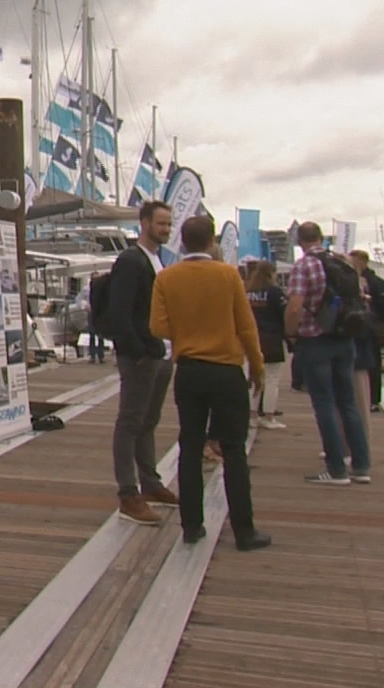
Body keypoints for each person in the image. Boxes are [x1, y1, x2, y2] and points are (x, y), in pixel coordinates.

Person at [151, 216, 271, 551]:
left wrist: (187, 332)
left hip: (189, 369)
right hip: (225, 369)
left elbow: (158, 327)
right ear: (212, 242)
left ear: (182, 241)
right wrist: (257, 369)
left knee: (189, 447)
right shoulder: (228, 275)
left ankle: (192, 526)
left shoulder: (167, 278)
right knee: (234, 450)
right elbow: (246, 327)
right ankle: (244, 531)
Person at [91, 200, 180, 525]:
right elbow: (120, 311)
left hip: (160, 353)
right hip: (141, 356)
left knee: (148, 421)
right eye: (161, 224)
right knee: (130, 422)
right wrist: (139, 351)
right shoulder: (131, 260)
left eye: (169, 224)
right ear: (144, 223)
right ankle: (128, 495)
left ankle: (151, 484)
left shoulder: (156, 260)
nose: (166, 230)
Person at [285, 221, 372, 486]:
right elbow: (360, 296)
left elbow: (294, 306)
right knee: (348, 402)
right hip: (345, 338)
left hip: (316, 339)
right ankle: (361, 466)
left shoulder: (304, 266)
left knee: (324, 403)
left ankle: (336, 468)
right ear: (321, 238)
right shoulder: (343, 262)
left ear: (299, 242)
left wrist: (291, 333)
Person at [243, 260, 287, 430]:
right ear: (271, 274)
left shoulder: (248, 291)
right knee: (271, 378)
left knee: (254, 378)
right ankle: (268, 416)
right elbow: (283, 312)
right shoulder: (274, 292)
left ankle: (251, 415)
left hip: (252, 338)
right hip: (272, 337)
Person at [350, 250, 384, 413]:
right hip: (363, 327)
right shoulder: (354, 280)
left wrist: (381, 320)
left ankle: (374, 400)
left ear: (363, 261)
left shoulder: (375, 282)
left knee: (373, 364)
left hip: (371, 327)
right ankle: (370, 399)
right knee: (368, 364)